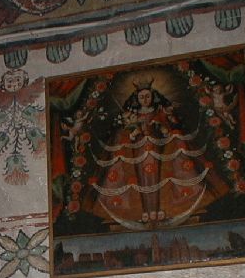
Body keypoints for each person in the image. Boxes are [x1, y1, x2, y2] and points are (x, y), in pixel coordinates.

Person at [91, 79, 228, 227]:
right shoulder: (132, 115)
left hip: (160, 150)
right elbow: (126, 134)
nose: (145, 99)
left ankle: (161, 209)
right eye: (141, 97)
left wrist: (161, 127)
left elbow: (168, 130)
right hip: (137, 152)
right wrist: (133, 131)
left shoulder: (160, 112)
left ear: (153, 97)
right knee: (140, 175)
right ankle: (143, 211)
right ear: (137, 98)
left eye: (147, 96)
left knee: (160, 167)